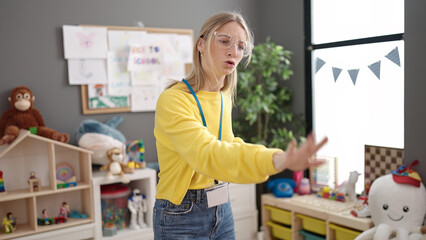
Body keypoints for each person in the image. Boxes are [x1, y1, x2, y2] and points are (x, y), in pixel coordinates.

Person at [153, 11, 328, 240]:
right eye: (224, 41)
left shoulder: (223, 96)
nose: (233, 52)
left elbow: (229, 144)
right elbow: (206, 153)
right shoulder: (174, 100)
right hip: (181, 213)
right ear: (201, 44)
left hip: (221, 209)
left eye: (241, 46)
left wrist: (275, 158)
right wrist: (277, 160)